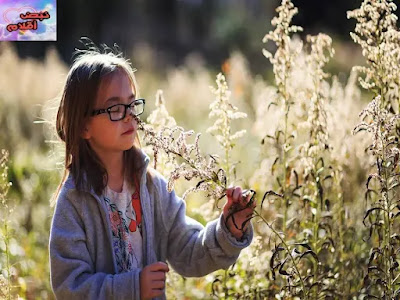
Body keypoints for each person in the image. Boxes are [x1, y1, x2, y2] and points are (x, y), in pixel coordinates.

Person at [49, 44, 255, 300]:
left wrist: (228, 229)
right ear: (83, 126)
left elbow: (189, 252)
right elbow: (70, 287)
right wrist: (134, 287)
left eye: (132, 104)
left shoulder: (151, 187)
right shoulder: (74, 201)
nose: (129, 116)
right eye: (114, 108)